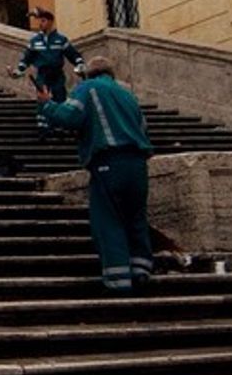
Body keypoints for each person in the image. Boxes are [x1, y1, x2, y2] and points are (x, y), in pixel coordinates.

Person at [37, 56, 155, 294]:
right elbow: (143, 127)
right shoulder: (127, 94)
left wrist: (47, 104)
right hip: (138, 163)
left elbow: (70, 117)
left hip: (109, 162)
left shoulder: (87, 88)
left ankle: (118, 281)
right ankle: (141, 269)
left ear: (87, 74)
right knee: (136, 218)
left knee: (108, 219)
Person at [10, 7, 86, 137]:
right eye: (40, 21)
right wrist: (19, 70)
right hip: (42, 74)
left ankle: (61, 126)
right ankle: (43, 128)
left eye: (43, 21)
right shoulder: (35, 41)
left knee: (60, 96)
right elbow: (26, 58)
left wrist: (79, 64)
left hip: (57, 73)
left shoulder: (61, 40)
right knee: (42, 99)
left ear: (51, 22)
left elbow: (73, 55)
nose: (40, 24)